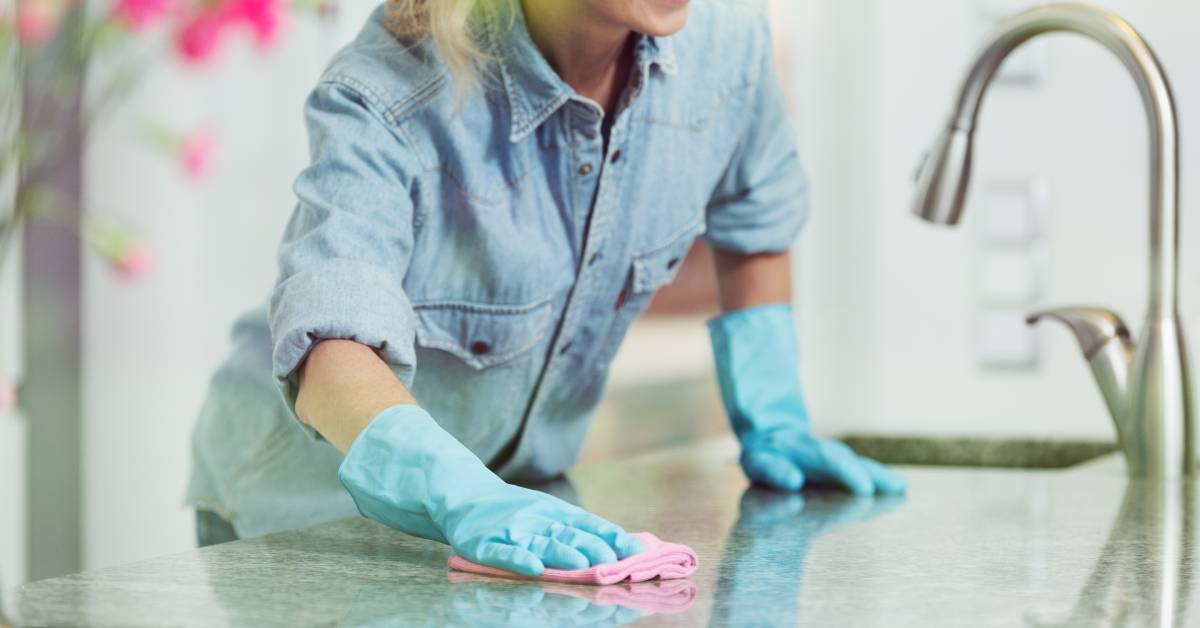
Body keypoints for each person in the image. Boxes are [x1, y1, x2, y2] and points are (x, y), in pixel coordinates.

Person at [186, 0, 907, 577]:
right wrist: (458, 493)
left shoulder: (727, 48)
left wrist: (771, 413)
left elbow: (753, 220)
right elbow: (328, 342)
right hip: (305, 516)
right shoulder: (387, 91)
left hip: (518, 503)